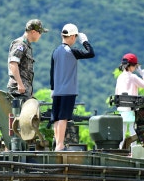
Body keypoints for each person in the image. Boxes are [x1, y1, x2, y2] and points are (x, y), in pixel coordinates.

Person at [50, 23, 95, 151]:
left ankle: (57, 144)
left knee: (56, 118)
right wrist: (85, 41)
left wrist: (52, 88)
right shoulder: (72, 51)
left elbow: (52, 72)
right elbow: (90, 53)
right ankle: (60, 145)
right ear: (72, 37)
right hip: (68, 90)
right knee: (63, 118)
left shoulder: (55, 51)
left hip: (57, 91)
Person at [7, 19, 48, 99]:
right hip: (18, 91)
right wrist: (19, 84)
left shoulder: (26, 45)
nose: (40, 35)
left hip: (24, 90)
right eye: (40, 32)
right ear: (33, 32)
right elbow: (13, 63)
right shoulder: (20, 44)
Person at [115, 53, 144, 148]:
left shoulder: (120, 77)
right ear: (131, 66)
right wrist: (142, 73)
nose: (135, 68)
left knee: (122, 131)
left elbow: (117, 93)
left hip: (121, 109)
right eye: (135, 66)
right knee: (132, 129)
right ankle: (133, 150)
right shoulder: (133, 77)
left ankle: (120, 149)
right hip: (131, 110)